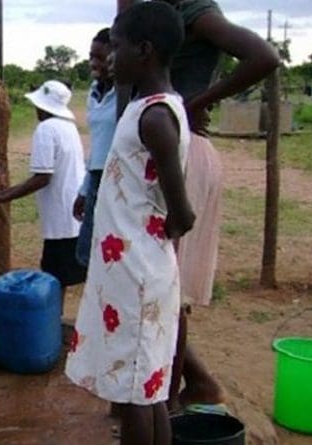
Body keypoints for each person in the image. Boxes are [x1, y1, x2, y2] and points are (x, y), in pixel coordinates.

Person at [117, 0, 280, 412]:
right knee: (150, 285)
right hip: (164, 152)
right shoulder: (156, 16)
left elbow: (264, 56)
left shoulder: (194, 9)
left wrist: (190, 104)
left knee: (165, 290)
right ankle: (172, 391)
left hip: (180, 155)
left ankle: (165, 404)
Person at [64, 3, 195, 445]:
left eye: (116, 47)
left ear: (145, 50)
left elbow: (183, 213)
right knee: (146, 388)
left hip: (137, 272)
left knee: (136, 392)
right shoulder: (150, 108)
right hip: (134, 269)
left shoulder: (155, 117)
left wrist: (147, 236)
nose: (111, 57)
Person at [0, 80, 87, 296]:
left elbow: (42, 178)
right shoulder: (69, 127)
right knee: (65, 278)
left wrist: (4, 195)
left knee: (53, 281)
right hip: (75, 216)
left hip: (61, 219)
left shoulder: (46, 129)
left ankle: (51, 326)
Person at [73, 28, 117, 269]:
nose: (94, 63)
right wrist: (84, 189)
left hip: (118, 178)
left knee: (111, 254)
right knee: (90, 253)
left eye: (101, 58)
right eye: (92, 56)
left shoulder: (127, 95)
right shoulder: (94, 92)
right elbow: (97, 145)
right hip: (97, 177)